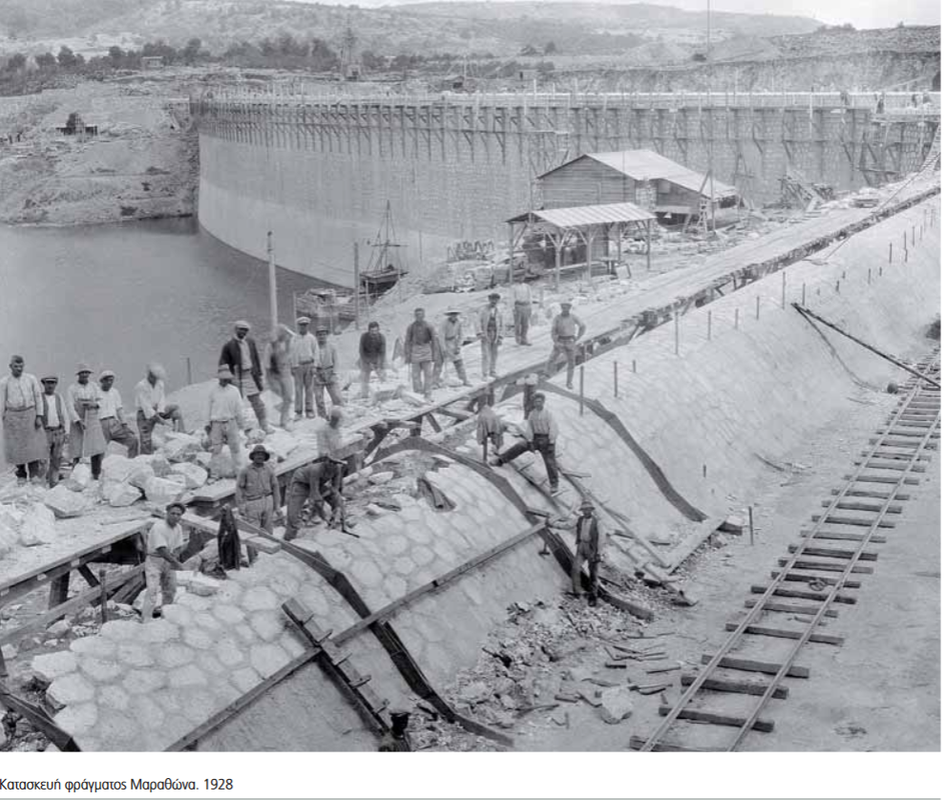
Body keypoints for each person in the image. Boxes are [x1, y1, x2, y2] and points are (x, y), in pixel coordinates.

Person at [492, 392, 560, 495]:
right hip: (535, 438)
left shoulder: (548, 414)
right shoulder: (532, 414)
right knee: (520, 446)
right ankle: (501, 460)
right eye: (536, 402)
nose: (537, 404)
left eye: (539, 401)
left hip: (546, 439)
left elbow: (553, 428)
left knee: (550, 461)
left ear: (543, 402)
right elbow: (530, 429)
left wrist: (551, 443)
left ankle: (554, 484)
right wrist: (530, 441)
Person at [219, 320, 272, 433]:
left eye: (245, 330)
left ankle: (264, 425)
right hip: (236, 376)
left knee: (257, 402)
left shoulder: (250, 342)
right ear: (236, 329)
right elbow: (223, 363)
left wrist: (259, 374)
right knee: (235, 403)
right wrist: (225, 379)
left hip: (250, 374)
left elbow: (255, 358)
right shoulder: (229, 345)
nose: (243, 332)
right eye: (241, 329)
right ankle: (236, 429)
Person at [0, 356, 46, 484]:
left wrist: (39, 416)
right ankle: (21, 474)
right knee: (16, 446)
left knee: (33, 446)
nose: (19, 369)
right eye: (16, 366)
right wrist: (3, 418)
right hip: (12, 416)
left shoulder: (31, 379)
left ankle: (34, 474)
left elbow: (38, 397)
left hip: (29, 414)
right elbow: (1, 400)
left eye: (21, 366)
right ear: (10, 367)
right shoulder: (4, 382)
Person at [141, 502, 187, 623]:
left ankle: (166, 615)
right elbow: (161, 549)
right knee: (152, 590)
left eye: (178, 514)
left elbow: (178, 546)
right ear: (167, 513)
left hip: (169, 559)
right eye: (173, 513)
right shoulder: (159, 527)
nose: (175, 516)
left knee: (170, 589)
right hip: (154, 560)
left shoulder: (178, 527)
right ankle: (146, 618)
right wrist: (176, 563)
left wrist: (174, 557)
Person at [282, 456, 344, 541]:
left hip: (318, 484)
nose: (332, 465)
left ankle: (337, 523)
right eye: (330, 462)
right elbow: (314, 492)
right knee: (293, 513)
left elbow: (335, 488)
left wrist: (334, 500)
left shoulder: (337, 469)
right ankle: (289, 537)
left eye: (335, 463)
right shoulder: (316, 469)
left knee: (337, 499)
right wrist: (321, 510)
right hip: (301, 483)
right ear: (326, 461)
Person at [207, 366, 250, 480]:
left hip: (231, 421)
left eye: (226, 379)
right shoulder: (213, 391)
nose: (224, 381)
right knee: (216, 450)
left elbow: (239, 408)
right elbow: (208, 408)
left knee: (235, 448)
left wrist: (241, 424)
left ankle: (239, 472)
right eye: (222, 379)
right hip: (216, 423)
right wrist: (208, 424)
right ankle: (214, 474)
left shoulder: (234, 391)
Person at [67, 363, 107, 481]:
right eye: (82, 373)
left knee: (96, 448)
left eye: (86, 373)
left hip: (92, 418)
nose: (84, 375)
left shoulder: (94, 386)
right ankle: (76, 476)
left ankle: (96, 474)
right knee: (77, 449)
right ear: (78, 374)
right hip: (78, 420)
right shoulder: (72, 388)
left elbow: (102, 400)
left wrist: (94, 404)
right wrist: (78, 420)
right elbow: (69, 406)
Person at [134, 363, 184, 455]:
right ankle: (146, 457)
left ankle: (180, 435)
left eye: (155, 377)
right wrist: (157, 418)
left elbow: (161, 399)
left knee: (175, 409)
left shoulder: (160, 383)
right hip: (144, 413)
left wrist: (160, 411)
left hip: (157, 409)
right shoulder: (141, 386)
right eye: (151, 376)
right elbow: (146, 406)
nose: (153, 379)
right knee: (146, 440)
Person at [235, 444, 281, 533]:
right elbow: (239, 489)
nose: (260, 456)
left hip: (268, 500)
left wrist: (277, 505)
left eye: (262, 455)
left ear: (265, 457)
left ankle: (268, 542)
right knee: (253, 530)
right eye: (257, 454)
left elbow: (275, 486)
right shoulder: (245, 471)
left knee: (268, 529)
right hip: (253, 502)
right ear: (253, 456)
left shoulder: (269, 469)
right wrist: (241, 506)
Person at [546, 300, 587, 390]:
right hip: (560, 341)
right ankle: (549, 376)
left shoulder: (573, 317)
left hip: (570, 342)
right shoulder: (557, 318)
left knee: (572, 363)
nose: (565, 309)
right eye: (563, 307)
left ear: (569, 308)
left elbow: (583, 326)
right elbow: (553, 331)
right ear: (561, 308)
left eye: (567, 307)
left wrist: (578, 337)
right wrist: (556, 342)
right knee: (551, 360)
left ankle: (569, 382)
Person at [98, 370, 139, 458]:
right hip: (101, 425)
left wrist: (125, 425)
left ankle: (132, 463)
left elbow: (119, 409)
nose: (109, 383)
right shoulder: (95, 393)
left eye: (111, 380)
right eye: (107, 380)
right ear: (102, 381)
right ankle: (98, 467)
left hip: (114, 423)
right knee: (100, 451)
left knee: (133, 440)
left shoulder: (115, 392)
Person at [404, 308, 439, 400]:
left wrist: (434, 354)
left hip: (426, 349)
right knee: (415, 375)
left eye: (420, 315)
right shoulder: (411, 327)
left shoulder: (429, 326)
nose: (418, 317)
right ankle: (418, 394)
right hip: (415, 351)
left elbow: (434, 341)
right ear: (414, 316)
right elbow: (407, 341)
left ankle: (428, 394)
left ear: (424, 315)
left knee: (428, 374)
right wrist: (407, 355)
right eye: (417, 315)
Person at [571, 499, 602, 605]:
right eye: (584, 510)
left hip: (592, 547)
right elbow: (567, 525)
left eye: (588, 509)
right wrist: (553, 524)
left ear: (591, 510)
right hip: (581, 546)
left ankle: (593, 596)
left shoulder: (597, 522)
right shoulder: (579, 519)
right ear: (582, 511)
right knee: (575, 568)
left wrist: (599, 553)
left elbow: (601, 539)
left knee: (593, 572)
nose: (586, 512)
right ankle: (578, 592)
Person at [267, 324, 296, 429]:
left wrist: (287, 330)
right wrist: (270, 380)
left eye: (285, 334)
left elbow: (293, 336)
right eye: (282, 333)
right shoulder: (271, 346)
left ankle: (284, 419)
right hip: (276, 375)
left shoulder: (287, 345)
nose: (285, 336)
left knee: (288, 398)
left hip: (286, 374)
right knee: (279, 399)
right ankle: (280, 420)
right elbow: (267, 365)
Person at [40, 375, 66, 488]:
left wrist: (66, 431)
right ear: (44, 384)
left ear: (56, 384)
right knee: (43, 461)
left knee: (57, 460)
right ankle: (41, 486)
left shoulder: (59, 397)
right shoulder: (39, 398)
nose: (50, 385)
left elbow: (64, 413)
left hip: (58, 432)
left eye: (53, 383)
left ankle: (54, 484)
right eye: (48, 383)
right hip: (45, 432)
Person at [313, 326, 344, 419]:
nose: (322, 336)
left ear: (327, 335)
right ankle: (322, 417)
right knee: (319, 398)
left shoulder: (332, 347)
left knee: (336, 396)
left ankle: (338, 416)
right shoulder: (313, 348)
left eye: (323, 334)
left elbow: (336, 361)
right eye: (319, 335)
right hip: (318, 373)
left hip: (329, 371)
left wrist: (334, 374)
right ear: (316, 336)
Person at [291, 316, 318, 419]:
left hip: (309, 365)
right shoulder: (294, 339)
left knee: (309, 389)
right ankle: (298, 412)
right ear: (298, 326)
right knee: (298, 389)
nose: (303, 327)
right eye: (301, 325)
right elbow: (291, 354)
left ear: (308, 326)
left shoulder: (312, 338)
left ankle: (309, 410)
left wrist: (315, 366)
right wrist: (293, 367)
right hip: (298, 366)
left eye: (305, 325)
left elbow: (316, 352)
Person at [436, 309, 471, 387]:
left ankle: (464, 380)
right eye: (452, 314)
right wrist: (444, 349)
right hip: (444, 342)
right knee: (439, 363)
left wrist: (458, 346)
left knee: (459, 362)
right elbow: (441, 336)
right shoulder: (444, 323)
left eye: (455, 314)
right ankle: (434, 382)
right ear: (449, 315)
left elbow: (461, 335)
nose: (454, 316)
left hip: (453, 342)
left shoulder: (459, 322)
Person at [478, 292, 505, 378]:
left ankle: (492, 371)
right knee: (486, 354)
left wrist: (500, 336)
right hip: (486, 333)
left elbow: (502, 324)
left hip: (495, 333)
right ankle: (485, 373)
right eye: (492, 300)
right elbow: (478, 322)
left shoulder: (499, 311)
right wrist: (480, 333)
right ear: (489, 300)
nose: (494, 302)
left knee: (494, 354)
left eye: (496, 300)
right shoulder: (483, 310)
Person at [358, 321, 387, 399]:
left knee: (382, 376)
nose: (374, 333)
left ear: (378, 330)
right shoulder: (364, 337)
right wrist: (368, 362)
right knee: (364, 377)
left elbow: (382, 353)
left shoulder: (381, 338)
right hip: (366, 359)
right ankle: (364, 395)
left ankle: (384, 394)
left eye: (376, 331)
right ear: (369, 331)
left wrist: (379, 365)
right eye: (372, 331)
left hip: (377, 358)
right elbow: (361, 351)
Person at [512, 278, 533, 345]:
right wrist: (513, 308)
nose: (521, 279)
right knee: (517, 324)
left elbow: (530, 296)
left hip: (526, 306)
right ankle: (518, 340)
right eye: (519, 277)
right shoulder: (513, 287)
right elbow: (512, 298)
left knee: (525, 324)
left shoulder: (527, 286)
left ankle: (524, 340)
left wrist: (530, 307)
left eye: (522, 277)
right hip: (518, 306)